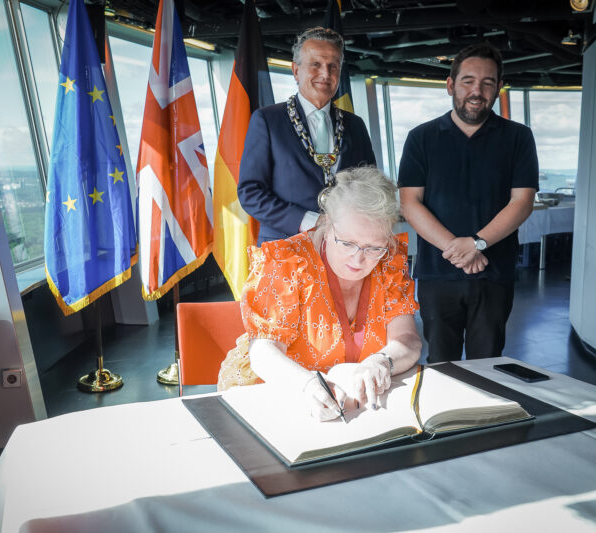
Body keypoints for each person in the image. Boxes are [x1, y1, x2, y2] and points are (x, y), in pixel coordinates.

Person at [218, 167, 422, 421]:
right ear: (326, 224)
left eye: (373, 247)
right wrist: (305, 384)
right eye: (347, 242)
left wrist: (383, 361)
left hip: (353, 403)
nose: (358, 259)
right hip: (281, 388)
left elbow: (407, 339)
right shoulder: (288, 262)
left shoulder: (389, 260)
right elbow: (264, 351)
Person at [398, 42, 539, 363]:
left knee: (488, 364)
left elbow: (522, 202)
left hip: (494, 272)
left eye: (488, 82)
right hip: (437, 273)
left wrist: (478, 243)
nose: (478, 90)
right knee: (440, 362)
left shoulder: (518, 137)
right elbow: (410, 203)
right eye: (468, 81)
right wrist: (459, 249)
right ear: (450, 85)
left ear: (498, 88)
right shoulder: (421, 138)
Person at [237, 27, 377, 245]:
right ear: (295, 70)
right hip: (286, 249)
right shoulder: (267, 121)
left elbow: (371, 188)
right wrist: (312, 221)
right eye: (316, 65)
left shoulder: (355, 125)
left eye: (333, 66)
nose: (326, 73)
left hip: (345, 250)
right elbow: (250, 193)